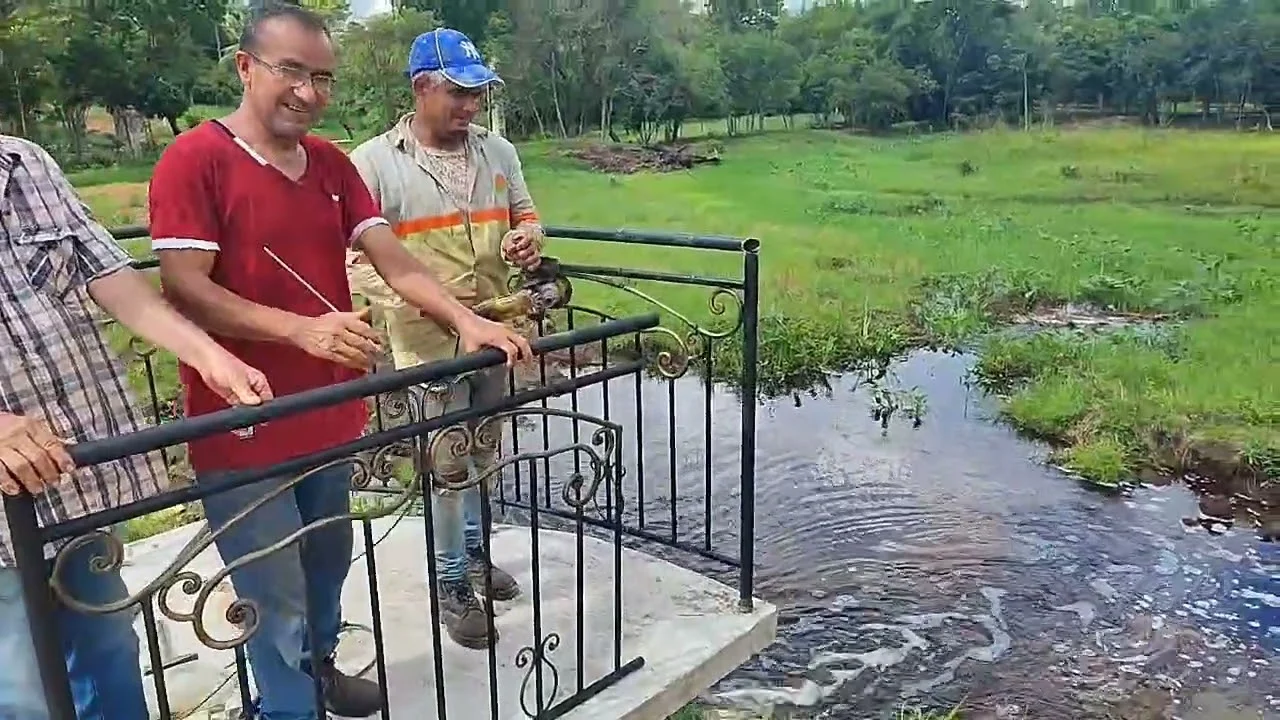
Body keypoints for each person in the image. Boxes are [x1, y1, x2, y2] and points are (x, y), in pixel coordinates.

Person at [146, 6, 532, 720]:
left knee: (327, 560)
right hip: (244, 422)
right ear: (246, 68)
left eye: (322, 77)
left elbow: (393, 258)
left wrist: (466, 319)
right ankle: (287, 707)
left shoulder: (329, 162)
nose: (308, 92)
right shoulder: (195, 159)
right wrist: (300, 331)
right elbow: (185, 287)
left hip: (327, 413)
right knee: (272, 590)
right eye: (291, 71)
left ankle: (318, 671)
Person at [0, 134, 272, 719]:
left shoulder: (25, 164)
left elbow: (115, 282)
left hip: (76, 477)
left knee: (107, 650)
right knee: (21, 689)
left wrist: (209, 356)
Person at [345, 27, 543, 652]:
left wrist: (527, 240)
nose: (470, 105)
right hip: (426, 344)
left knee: (484, 452)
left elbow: (527, 215)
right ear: (421, 88)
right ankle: (450, 581)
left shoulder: (498, 151)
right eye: (458, 92)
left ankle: (477, 556)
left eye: (478, 93)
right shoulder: (374, 163)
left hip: (497, 328)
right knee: (445, 464)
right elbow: (354, 261)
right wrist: (420, 305)